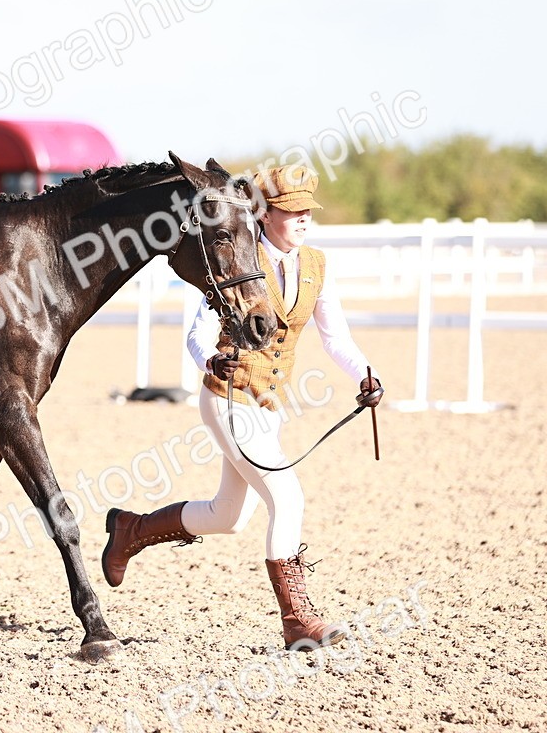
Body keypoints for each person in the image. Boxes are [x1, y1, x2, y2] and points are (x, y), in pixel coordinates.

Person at [101, 164, 383, 651]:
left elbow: (336, 338)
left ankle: (132, 529)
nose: (302, 220)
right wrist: (209, 357)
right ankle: (296, 620)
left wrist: (364, 373)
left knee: (227, 516)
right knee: (287, 498)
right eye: (292, 211)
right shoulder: (230, 255)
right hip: (227, 398)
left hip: (270, 405)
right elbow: (195, 332)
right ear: (265, 214)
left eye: (306, 212)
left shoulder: (315, 265)